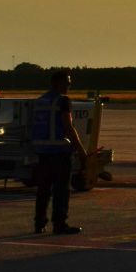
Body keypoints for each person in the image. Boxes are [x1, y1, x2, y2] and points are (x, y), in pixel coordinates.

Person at [28, 69, 88, 234]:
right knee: (61, 190)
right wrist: (81, 151)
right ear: (57, 83)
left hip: (42, 152)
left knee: (43, 190)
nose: (69, 85)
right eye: (67, 82)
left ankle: (39, 223)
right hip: (59, 151)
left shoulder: (40, 100)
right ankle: (59, 223)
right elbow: (69, 127)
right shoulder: (62, 101)